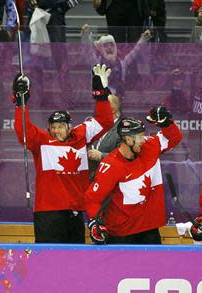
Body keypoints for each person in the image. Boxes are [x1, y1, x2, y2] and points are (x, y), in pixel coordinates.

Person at [13, 64, 114, 243]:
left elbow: (105, 121)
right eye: (53, 127)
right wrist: (21, 101)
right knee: (48, 260)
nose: (57, 131)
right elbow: (23, 131)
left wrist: (101, 94)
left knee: (74, 260)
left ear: (69, 126)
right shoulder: (42, 141)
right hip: (48, 213)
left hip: (76, 211)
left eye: (61, 127)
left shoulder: (80, 135)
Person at [85, 107, 183, 244]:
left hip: (149, 230)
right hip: (121, 234)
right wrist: (94, 224)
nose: (143, 140)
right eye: (139, 137)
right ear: (128, 140)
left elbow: (175, 138)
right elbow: (92, 199)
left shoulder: (149, 146)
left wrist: (167, 123)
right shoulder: (111, 165)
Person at [87, 94, 123, 180]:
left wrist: (101, 155)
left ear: (113, 109)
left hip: (110, 179)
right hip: (90, 179)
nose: (98, 108)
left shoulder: (122, 129)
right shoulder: (94, 125)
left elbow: (123, 156)